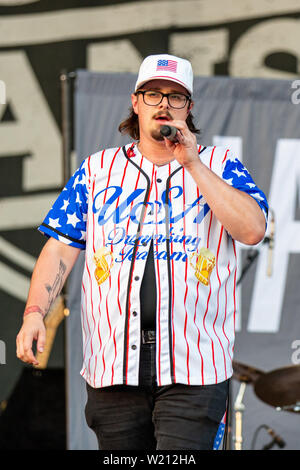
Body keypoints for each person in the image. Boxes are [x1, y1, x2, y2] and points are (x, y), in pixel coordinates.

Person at [16, 54, 268, 450]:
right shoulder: (97, 170)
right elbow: (61, 249)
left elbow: (253, 229)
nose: (163, 104)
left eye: (176, 96)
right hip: (113, 365)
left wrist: (194, 165)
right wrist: (34, 313)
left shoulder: (220, 164)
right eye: (153, 94)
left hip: (193, 367)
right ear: (136, 102)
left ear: (189, 108)